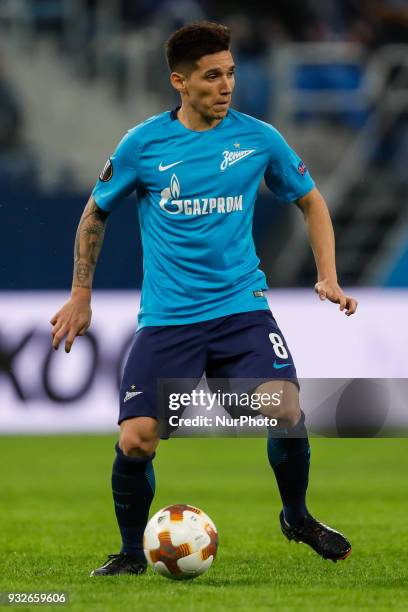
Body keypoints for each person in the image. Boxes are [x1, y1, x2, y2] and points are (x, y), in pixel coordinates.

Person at [50, 21, 358, 576]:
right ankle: (129, 553)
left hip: (242, 312)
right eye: (212, 76)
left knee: (285, 411)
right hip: (169, 322)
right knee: (138, 440)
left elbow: (311, 201)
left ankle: (297, 515)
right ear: (180, 82)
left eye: (231, 73)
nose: (226, 86)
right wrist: (80, 295)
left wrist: (327, 275)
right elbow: (95, 212)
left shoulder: (258, 138)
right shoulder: (143, 144)